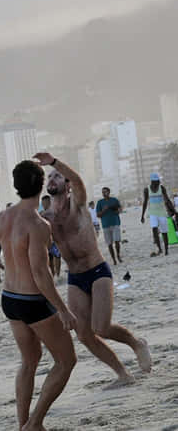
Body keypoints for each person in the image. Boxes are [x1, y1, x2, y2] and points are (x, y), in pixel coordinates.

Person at [37, 152, 152, 386]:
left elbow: (78, 181)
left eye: (58, 176)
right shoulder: (46, 218)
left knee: (102, 327)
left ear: (67, 185)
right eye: (50, 176)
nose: (53, 178)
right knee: (84, 334)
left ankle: (137, 343)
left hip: (97, 271)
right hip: (75, 277)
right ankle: (122, 374)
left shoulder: (78, 204)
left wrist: (55, 162)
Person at [0, 161, 77, 431]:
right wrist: (63, 310)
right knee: (66, 361)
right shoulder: (37, 224)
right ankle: (34, 423)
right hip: (32, 301)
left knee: (29, 361)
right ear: (41, 185)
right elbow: (41, 274)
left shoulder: (2, 217)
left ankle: (23, 423)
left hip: (9, 298)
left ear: (16, 185)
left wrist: (6, 250)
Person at [141, 172, 174, 256]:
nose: (159, 182)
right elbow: (145, 202)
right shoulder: (147, 189)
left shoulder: (162, 188)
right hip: (152, 213)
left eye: (159, 180)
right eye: (157, 181)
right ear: (153, 181)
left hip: (162, 212)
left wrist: (174, 211)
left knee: (164, 231)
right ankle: (159, 249)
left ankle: (166, 249)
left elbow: (167, 200)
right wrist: (142, 215)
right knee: (154, 228)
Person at [96, 187, 123, 265]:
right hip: (105, 225)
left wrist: (117, 210)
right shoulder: (100, 202)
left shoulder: (114, 200)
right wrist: (104, 210)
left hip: (115, 223)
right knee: (109, 243)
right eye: (102, 192)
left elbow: (120, 209)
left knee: (117, 241)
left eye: (105, 192)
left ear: (109, 192)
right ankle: (113, 259)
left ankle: (118, 255)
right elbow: (98, 215)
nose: (104, 193)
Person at [40, 196, 61, 279]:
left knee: (57, 256)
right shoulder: (41, 214)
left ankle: (58, 274)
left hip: (55, 238)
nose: (44, 204)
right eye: (43, 203)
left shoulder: (54, 212)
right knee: (50, 259)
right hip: (46, 239)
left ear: (49, 202)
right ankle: (53, 275)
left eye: (45, 202)